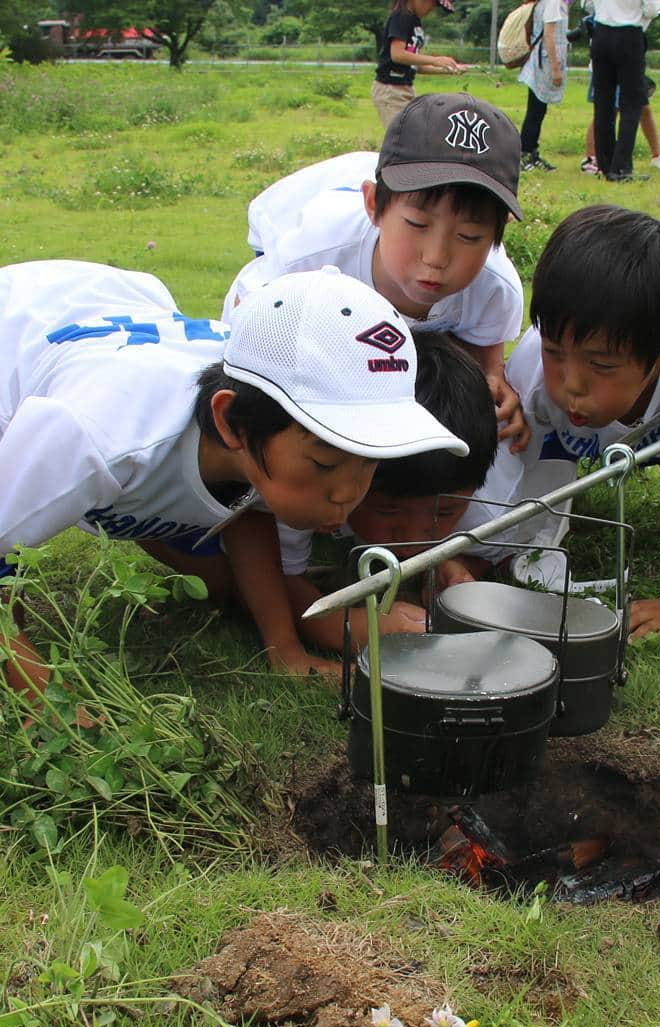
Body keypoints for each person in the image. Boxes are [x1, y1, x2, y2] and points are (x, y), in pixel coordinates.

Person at [0, 262, 467, 698]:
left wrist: (284, 652)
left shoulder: (260, 418)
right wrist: (36, 693)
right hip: (19, 325)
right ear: (231, 423)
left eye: (369, 462)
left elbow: (250, 515)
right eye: (325, 464)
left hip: (108, 314)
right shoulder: (95, 438)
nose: (349, 492)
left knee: (221, 584)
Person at [457, 205, 660, 639]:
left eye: (601, 365)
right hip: (583, 430)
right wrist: (469, 558)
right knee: (524, 479)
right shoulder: (532, 378)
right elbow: (498, 497)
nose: (571, 385)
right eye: (555, 352)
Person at [222, 93, 528, 450]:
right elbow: (253, 341)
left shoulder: (495, 288)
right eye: (417, 224)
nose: (437, 257)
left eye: (469, 236)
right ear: (373, 205)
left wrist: (493, 386)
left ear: (497, 230)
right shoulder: (313, 253)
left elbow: (487, 367)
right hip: (284, 264)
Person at [233, 332, 498, 673]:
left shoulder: (473, 477)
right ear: (353, 469)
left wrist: (447, 562)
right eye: (389, 510)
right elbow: (271, 574)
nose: (414, 531)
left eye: (445, 512)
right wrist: (345, 625)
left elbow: (489, 550)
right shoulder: (304, 487)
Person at [587, 0, 660, 181]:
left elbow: (588, 4)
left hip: (601, 34)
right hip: (629, 35)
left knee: (603, 103)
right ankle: (621, 167)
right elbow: (652, 10)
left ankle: (605, 164)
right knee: (631, 105)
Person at [371, 0, 468, 129]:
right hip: (390, 90)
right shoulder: (401, 16)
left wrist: (448, 69)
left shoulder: (415, 21)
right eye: (432, 4)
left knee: (413, 137)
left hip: (406, 88)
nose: (431, 9)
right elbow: (397, 55)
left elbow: (415, 65)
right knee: (400, 141)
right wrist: (435, 60)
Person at [519, 0, 570, 172]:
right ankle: (525, 154)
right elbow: (549, 35)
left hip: (543, 60)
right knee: (535, 111)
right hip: (544, 62)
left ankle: (531, 152)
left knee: (537, 110)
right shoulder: (553, 2)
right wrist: (556, 69)